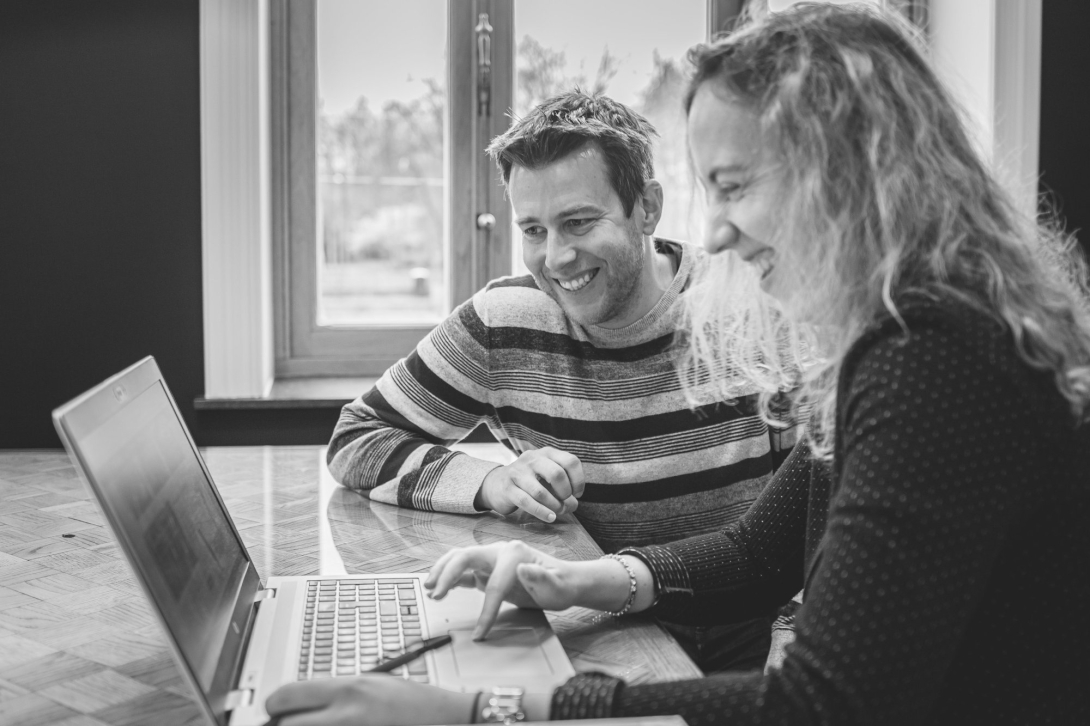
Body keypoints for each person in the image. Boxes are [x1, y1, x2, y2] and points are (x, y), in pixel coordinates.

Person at [267, 3, 1090, 724]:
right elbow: (758, 552)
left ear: (847, 174)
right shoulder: (911, 329)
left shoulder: (933, 360)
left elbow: (821, 706)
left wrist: (485, 710)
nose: (720, 232)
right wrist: (577, 580)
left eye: (734, 186)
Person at [328, 90, 797, 671]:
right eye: (533, 230)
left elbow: (814, 515)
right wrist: (491, 484)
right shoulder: (503, 322)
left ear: (647, 208)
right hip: (597, 625)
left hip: (748, 635)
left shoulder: (753, 300)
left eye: (578, 222)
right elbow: (356, 438)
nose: (556, 257)